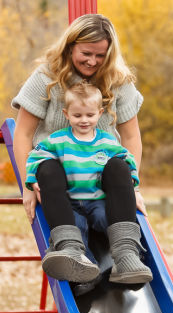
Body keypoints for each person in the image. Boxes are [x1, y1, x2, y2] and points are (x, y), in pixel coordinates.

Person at [12, 13, 147, 288]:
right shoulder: (47, 76)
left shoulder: (118, 80)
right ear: (70, 45)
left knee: (120, 166)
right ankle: (70, 250)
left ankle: (125, 255)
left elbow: (131, 136)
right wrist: (27, 184)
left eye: (100, 55)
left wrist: (132, 187)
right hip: (59, 172)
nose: (92, 61)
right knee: (46, 167)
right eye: (86, 53)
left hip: (99, 174)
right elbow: (23, 132)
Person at [25, 81, 151, 284]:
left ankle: (125, 256)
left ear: (100, 113)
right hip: (70, 205)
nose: (84, 120)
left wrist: (133, 187)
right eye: (77, 115)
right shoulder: (58, 140)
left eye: (90, 115)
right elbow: (36, 157)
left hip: (98, 203)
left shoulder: (107, 142)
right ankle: (83, 270)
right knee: (76, 229)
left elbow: (127, 159)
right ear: (66, 114)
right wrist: (31, 182)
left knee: (109, 210)